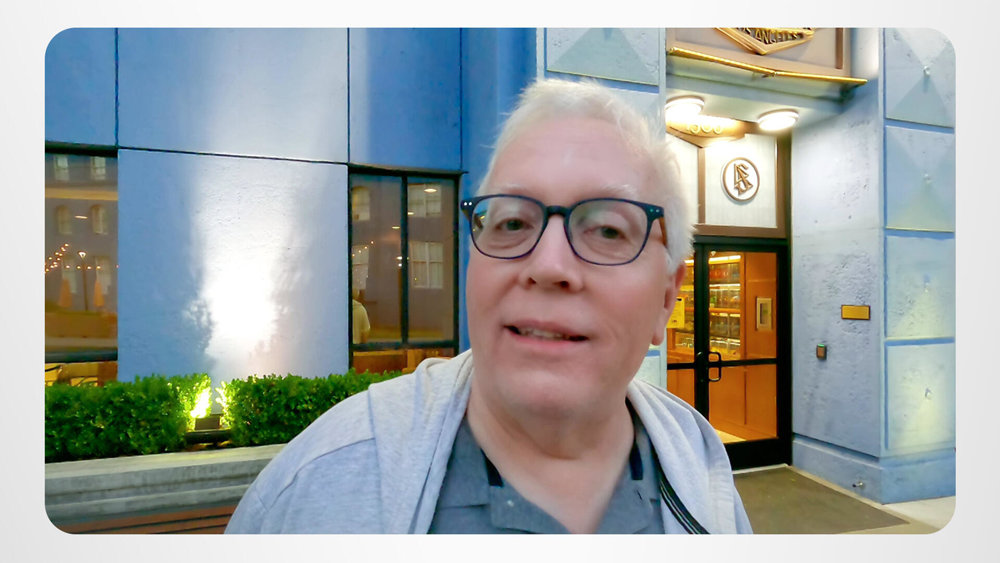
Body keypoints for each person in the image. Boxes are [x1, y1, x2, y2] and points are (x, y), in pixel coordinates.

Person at [226, 78, 752, 534]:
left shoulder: (702, 470)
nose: (548, 264)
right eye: (512, 222)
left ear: (666, 298)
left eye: (609, 230)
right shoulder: (316, 488)